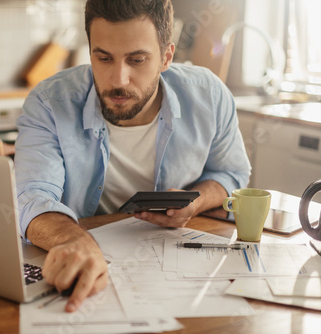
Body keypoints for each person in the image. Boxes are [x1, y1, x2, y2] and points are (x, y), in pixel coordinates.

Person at [14, 0, 251, 313]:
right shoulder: (49, 103)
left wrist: (195, 201)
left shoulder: (209, 94)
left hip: (171, 272)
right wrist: (73, 240)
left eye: (137, 60)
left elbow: (231, 174)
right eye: (103, 58)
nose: (118, 80)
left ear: (166, 56)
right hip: (81, 267)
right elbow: (32, 198)